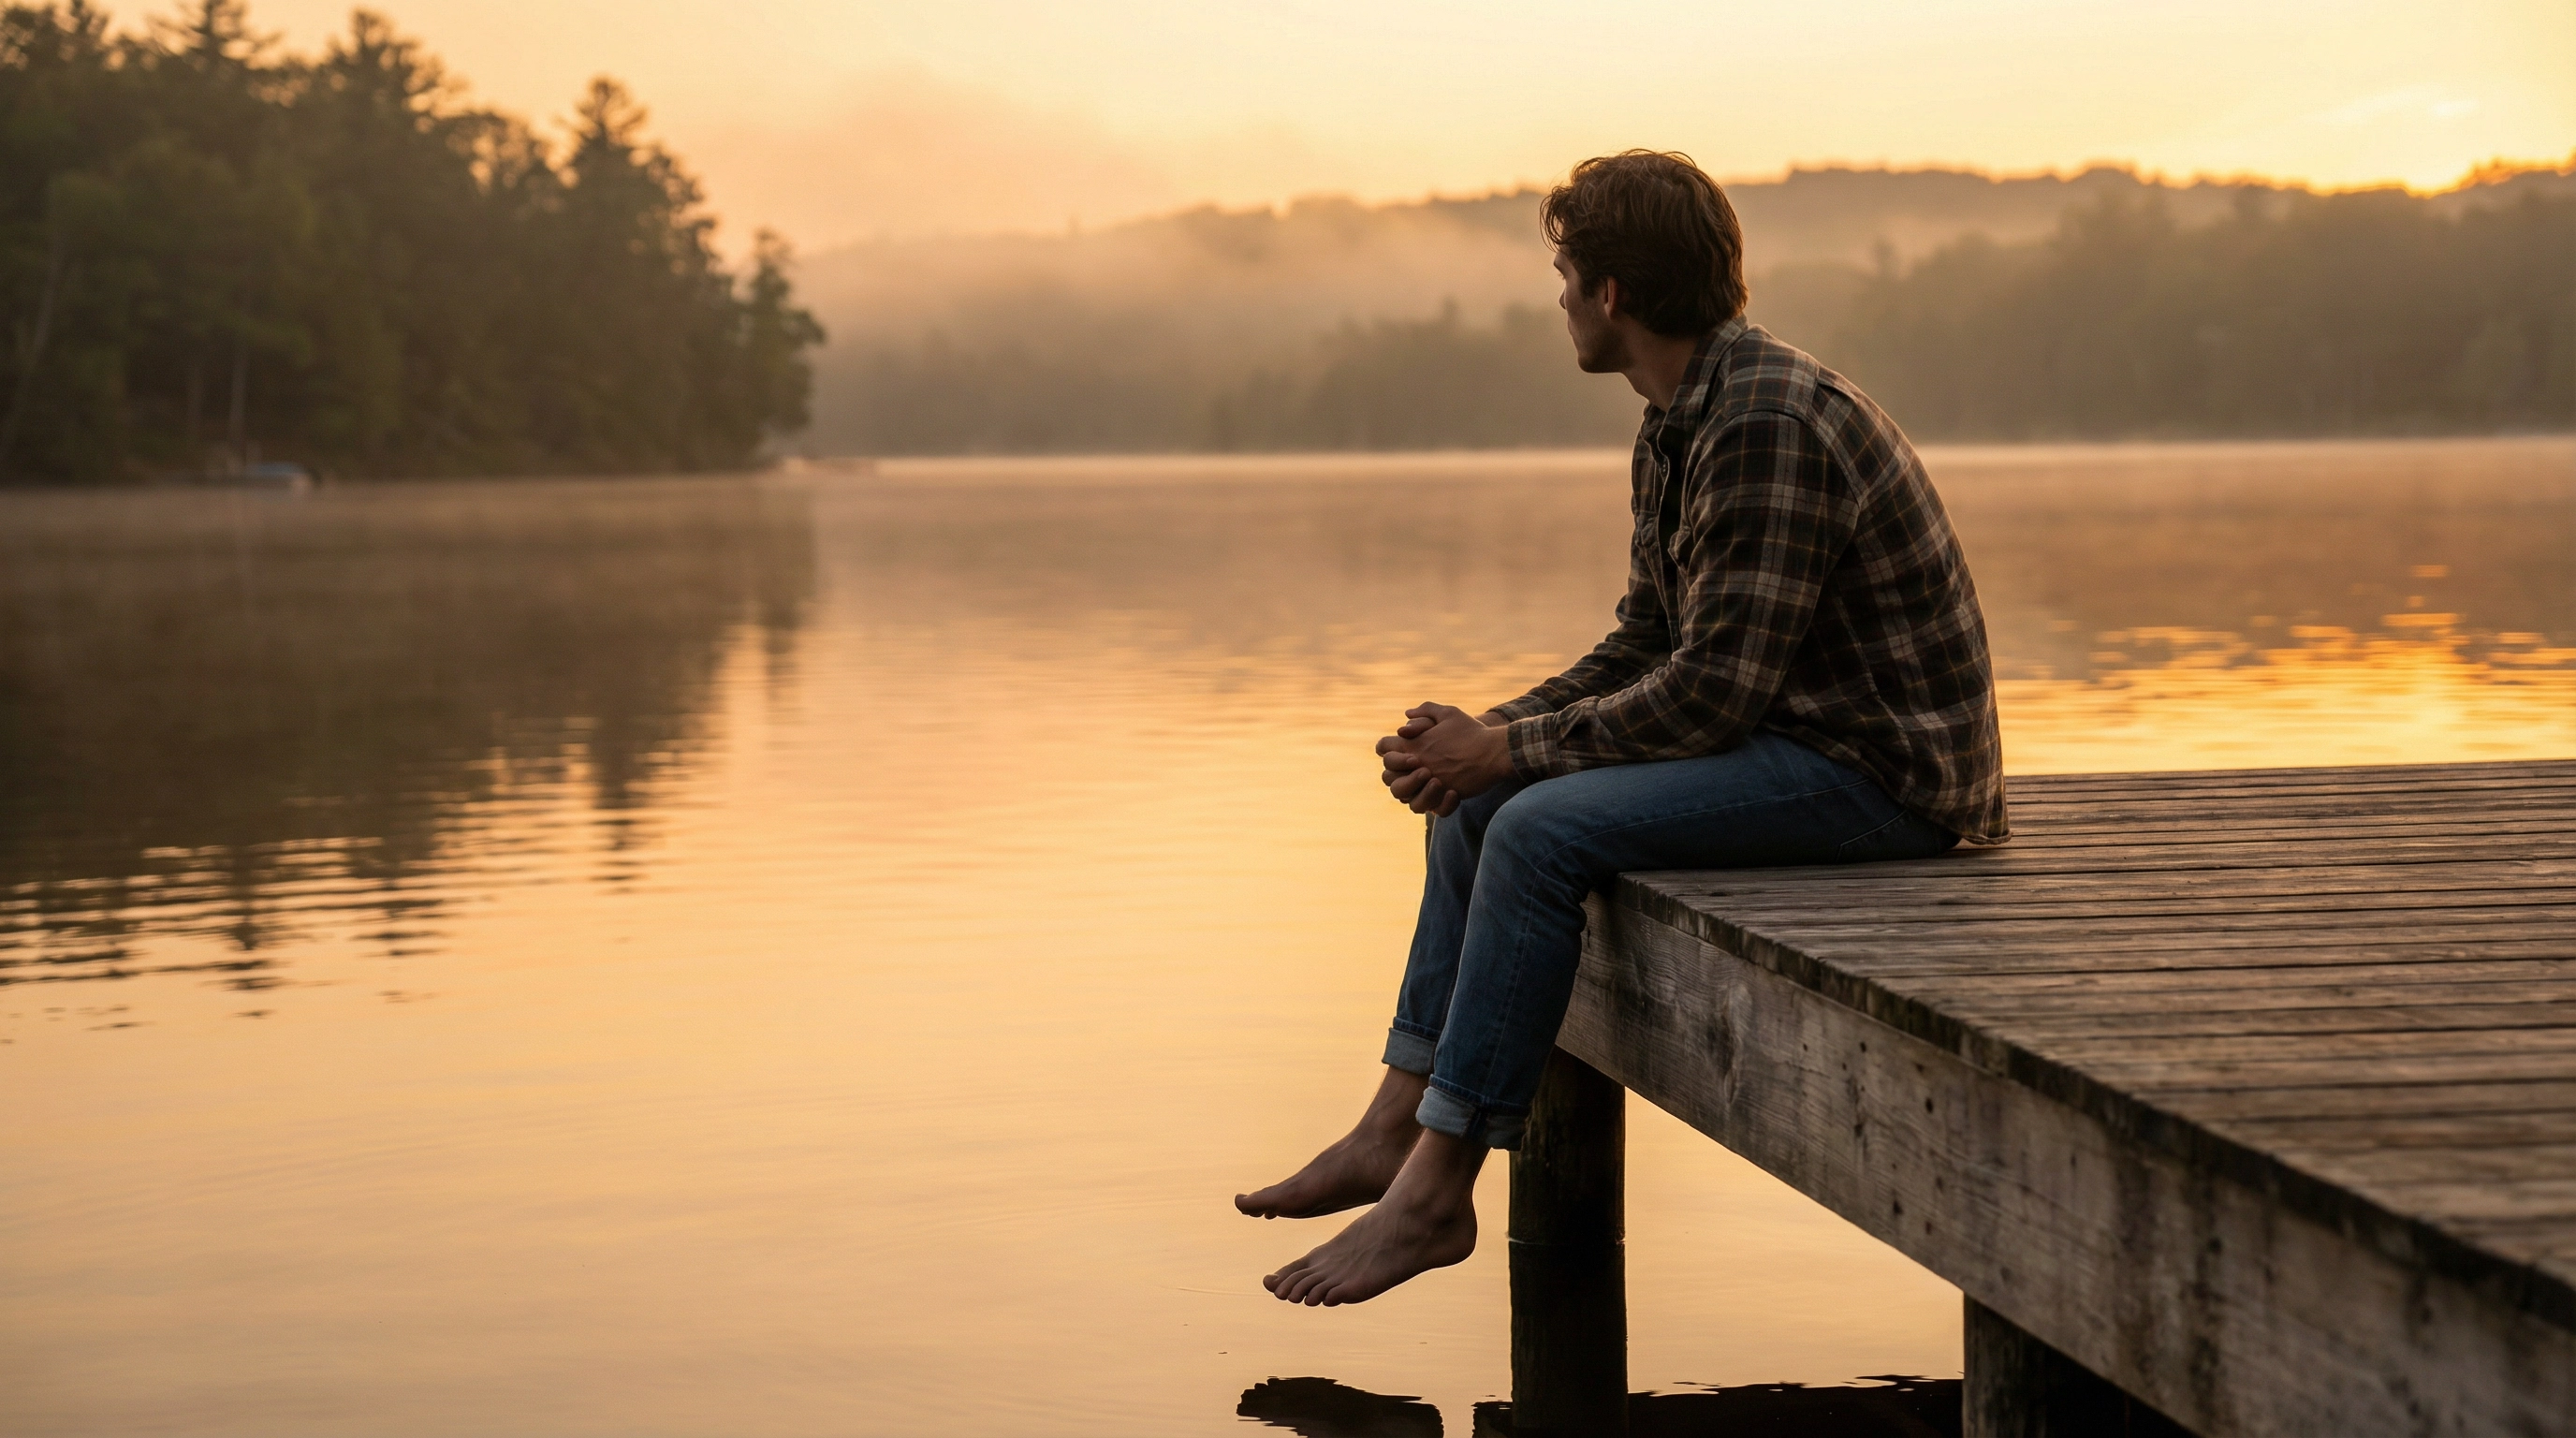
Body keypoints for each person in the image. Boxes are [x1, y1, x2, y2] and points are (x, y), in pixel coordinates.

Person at [1234, 150, 2010, 1307]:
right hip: (1793, 737)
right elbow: (1648, 639)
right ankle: (1393, 1126)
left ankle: (1440, 1189)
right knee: (1479, 810)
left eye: (1564, 274)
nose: (1556, 298)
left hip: (1880, 773)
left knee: (1534, 832)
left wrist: (1510, 752)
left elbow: (1711, 696)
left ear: (1613, 295)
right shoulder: (1680, 416)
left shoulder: (1763, 421)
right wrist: (1490, 734)